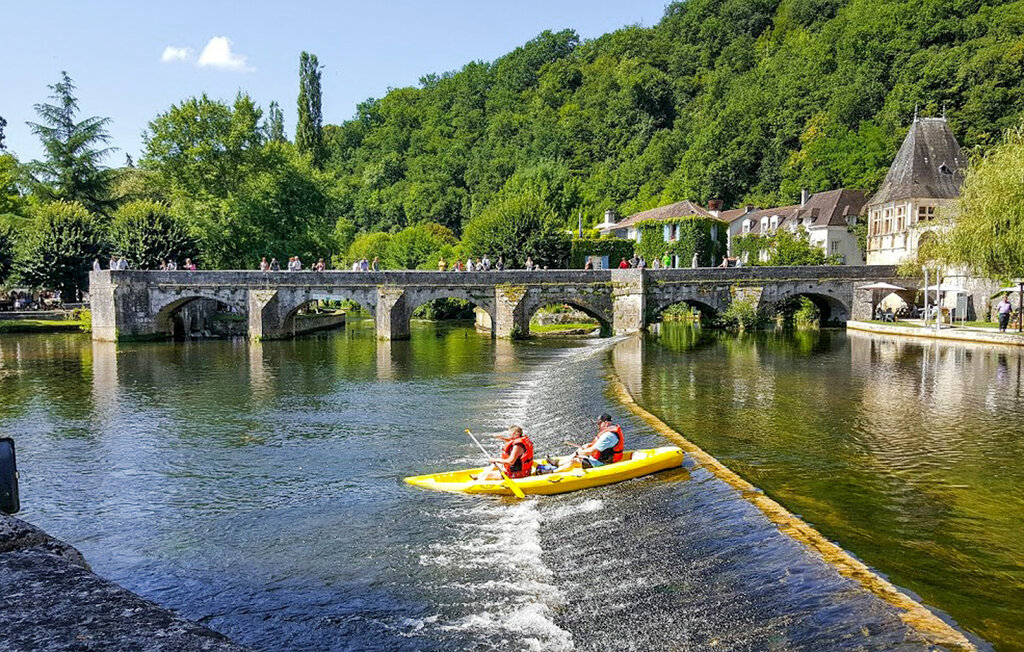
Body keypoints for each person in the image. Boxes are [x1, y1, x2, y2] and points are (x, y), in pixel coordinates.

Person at [555, 413, 625, 472]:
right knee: (581, 449)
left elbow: (592, 450)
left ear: (606, 423)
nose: (598, 425)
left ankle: (553, 472)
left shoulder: (608, 436)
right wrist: (587, 446)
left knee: (574, 461)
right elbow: (599, 446)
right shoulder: (609, 430)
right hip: (600, 457)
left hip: (603, 462)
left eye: (599, 423)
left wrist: (578, 454)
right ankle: (557, 464)